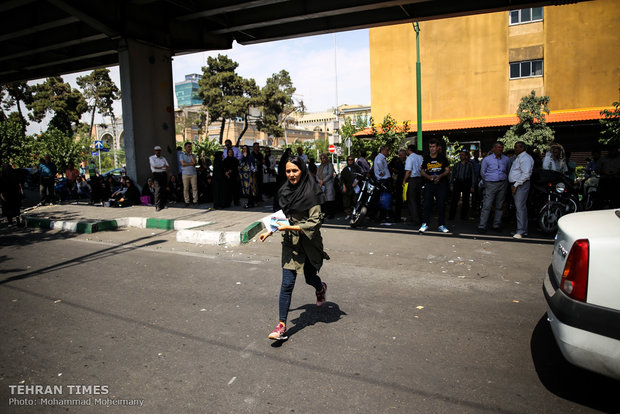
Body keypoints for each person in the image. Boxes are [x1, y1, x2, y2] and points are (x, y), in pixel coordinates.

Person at [259, 156, 329, 340]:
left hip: (309, 242)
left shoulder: (312, 192)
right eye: (288, 171)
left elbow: (314, 223)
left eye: (295, 170)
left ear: (302, 171)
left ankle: (320, 288)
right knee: (287, 284)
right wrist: (270, 230)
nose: (291, 174)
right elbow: (282, 216)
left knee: (309, 277)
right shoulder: (284, 191)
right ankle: (281, 325)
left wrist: (288, 227)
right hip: (290, 243)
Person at [478, 141, 510, 233]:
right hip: (490, 183)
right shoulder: (487, 159)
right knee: (487, 205)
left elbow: (507, 171)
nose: (500, 149)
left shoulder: (506, 159)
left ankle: (496, 225)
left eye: (501, 147)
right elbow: (482, 172)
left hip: (502, 183)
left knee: (500, 205)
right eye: (498, 147)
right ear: (493, 148)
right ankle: (482, 225)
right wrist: (487, 182)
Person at [419, 139, 451, 233]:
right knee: (427, 204)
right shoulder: (426, 158)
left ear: (437, 148)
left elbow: (447, 170)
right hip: (429, 184)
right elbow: (422, 171)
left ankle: (441, 225)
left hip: (441, 184)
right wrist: (428, 177)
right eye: (430, 147)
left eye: (433, 147)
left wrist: (440, 176)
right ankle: (425, 224)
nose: (431, 149)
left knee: (441, 204)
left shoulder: (442, 158)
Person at [508, 141, 534, 239]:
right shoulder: (518, 158)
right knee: (519, 207)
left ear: (522, 148)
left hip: (520, 185)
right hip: (516, 184)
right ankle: (522, 229)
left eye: (516, 147)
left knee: (520, 208)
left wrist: (516, 185)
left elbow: (526, 174)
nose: (515, 149)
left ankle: (521, 231)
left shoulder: (525, 158)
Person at [449, 149, 475, 220]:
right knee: (454, 199)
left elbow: (473, 175)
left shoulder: (470, 165)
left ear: (466, 156)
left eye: (463, 155)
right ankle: (451, 216)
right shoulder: (456, 165)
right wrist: (451, 184)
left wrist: (472, 185)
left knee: (466, 200)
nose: (461, 156)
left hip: (466, 182)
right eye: (460, 155)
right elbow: (452, 175)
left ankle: (464, 216)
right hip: (458, 182)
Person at [402, 144, 423, 227]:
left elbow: (408, 171)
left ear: (409, 149)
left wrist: (404, 180)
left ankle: (415, 220)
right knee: (418, 200)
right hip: (420, 179)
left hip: (413, 180)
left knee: (412, 200)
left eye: (407, 150)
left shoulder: (410, 158)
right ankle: (420, 218)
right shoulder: (420, 157)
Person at [149, 145, 170, 211]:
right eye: (157, 150)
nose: (158, 152)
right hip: (156, 174)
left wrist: (160, 167)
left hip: (163, 174)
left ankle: (164, 204)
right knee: (158, 190)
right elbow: (154, 166)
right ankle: (157, 205)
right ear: (155, 151)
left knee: (164, 189)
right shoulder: (152, 158)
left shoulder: (163, 158)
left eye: (159, 150)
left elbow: (167, 166)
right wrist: (162, 166)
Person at [389, 149, 407, 222]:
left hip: (406, 182)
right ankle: (397, 216)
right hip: (399, 182)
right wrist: (394, 171)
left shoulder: (408, 161)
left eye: (401, 155)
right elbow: (390, 166)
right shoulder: (396, 161)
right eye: (399, 155)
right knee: (398, 200)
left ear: (405, 155)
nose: (400, 157)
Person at [317, 153, 336, 218]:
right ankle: (325, 213)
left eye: (324, 158)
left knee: (330, 199)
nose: (323, 160)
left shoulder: (329, 165)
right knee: (323, 200)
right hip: (321, 185)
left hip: (328, 184)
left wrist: (323, 181)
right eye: (321, 158)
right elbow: (317, 175)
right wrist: (319, 180)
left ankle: (331, 214)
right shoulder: (320, 166)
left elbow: (330, 174)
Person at [180, 141, 199, 207]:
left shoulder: (193, 155)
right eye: (188, 147)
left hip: (193, 174)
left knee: (194, 188)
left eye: (190, 147)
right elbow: (183, 164)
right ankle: (187, 201)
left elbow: (195, 163)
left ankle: (195, 201)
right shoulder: (181, 155)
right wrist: (191, 164)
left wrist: (191, 155)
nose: (190, 148)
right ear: (185, 147)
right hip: (185, 174)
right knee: (186, 188)